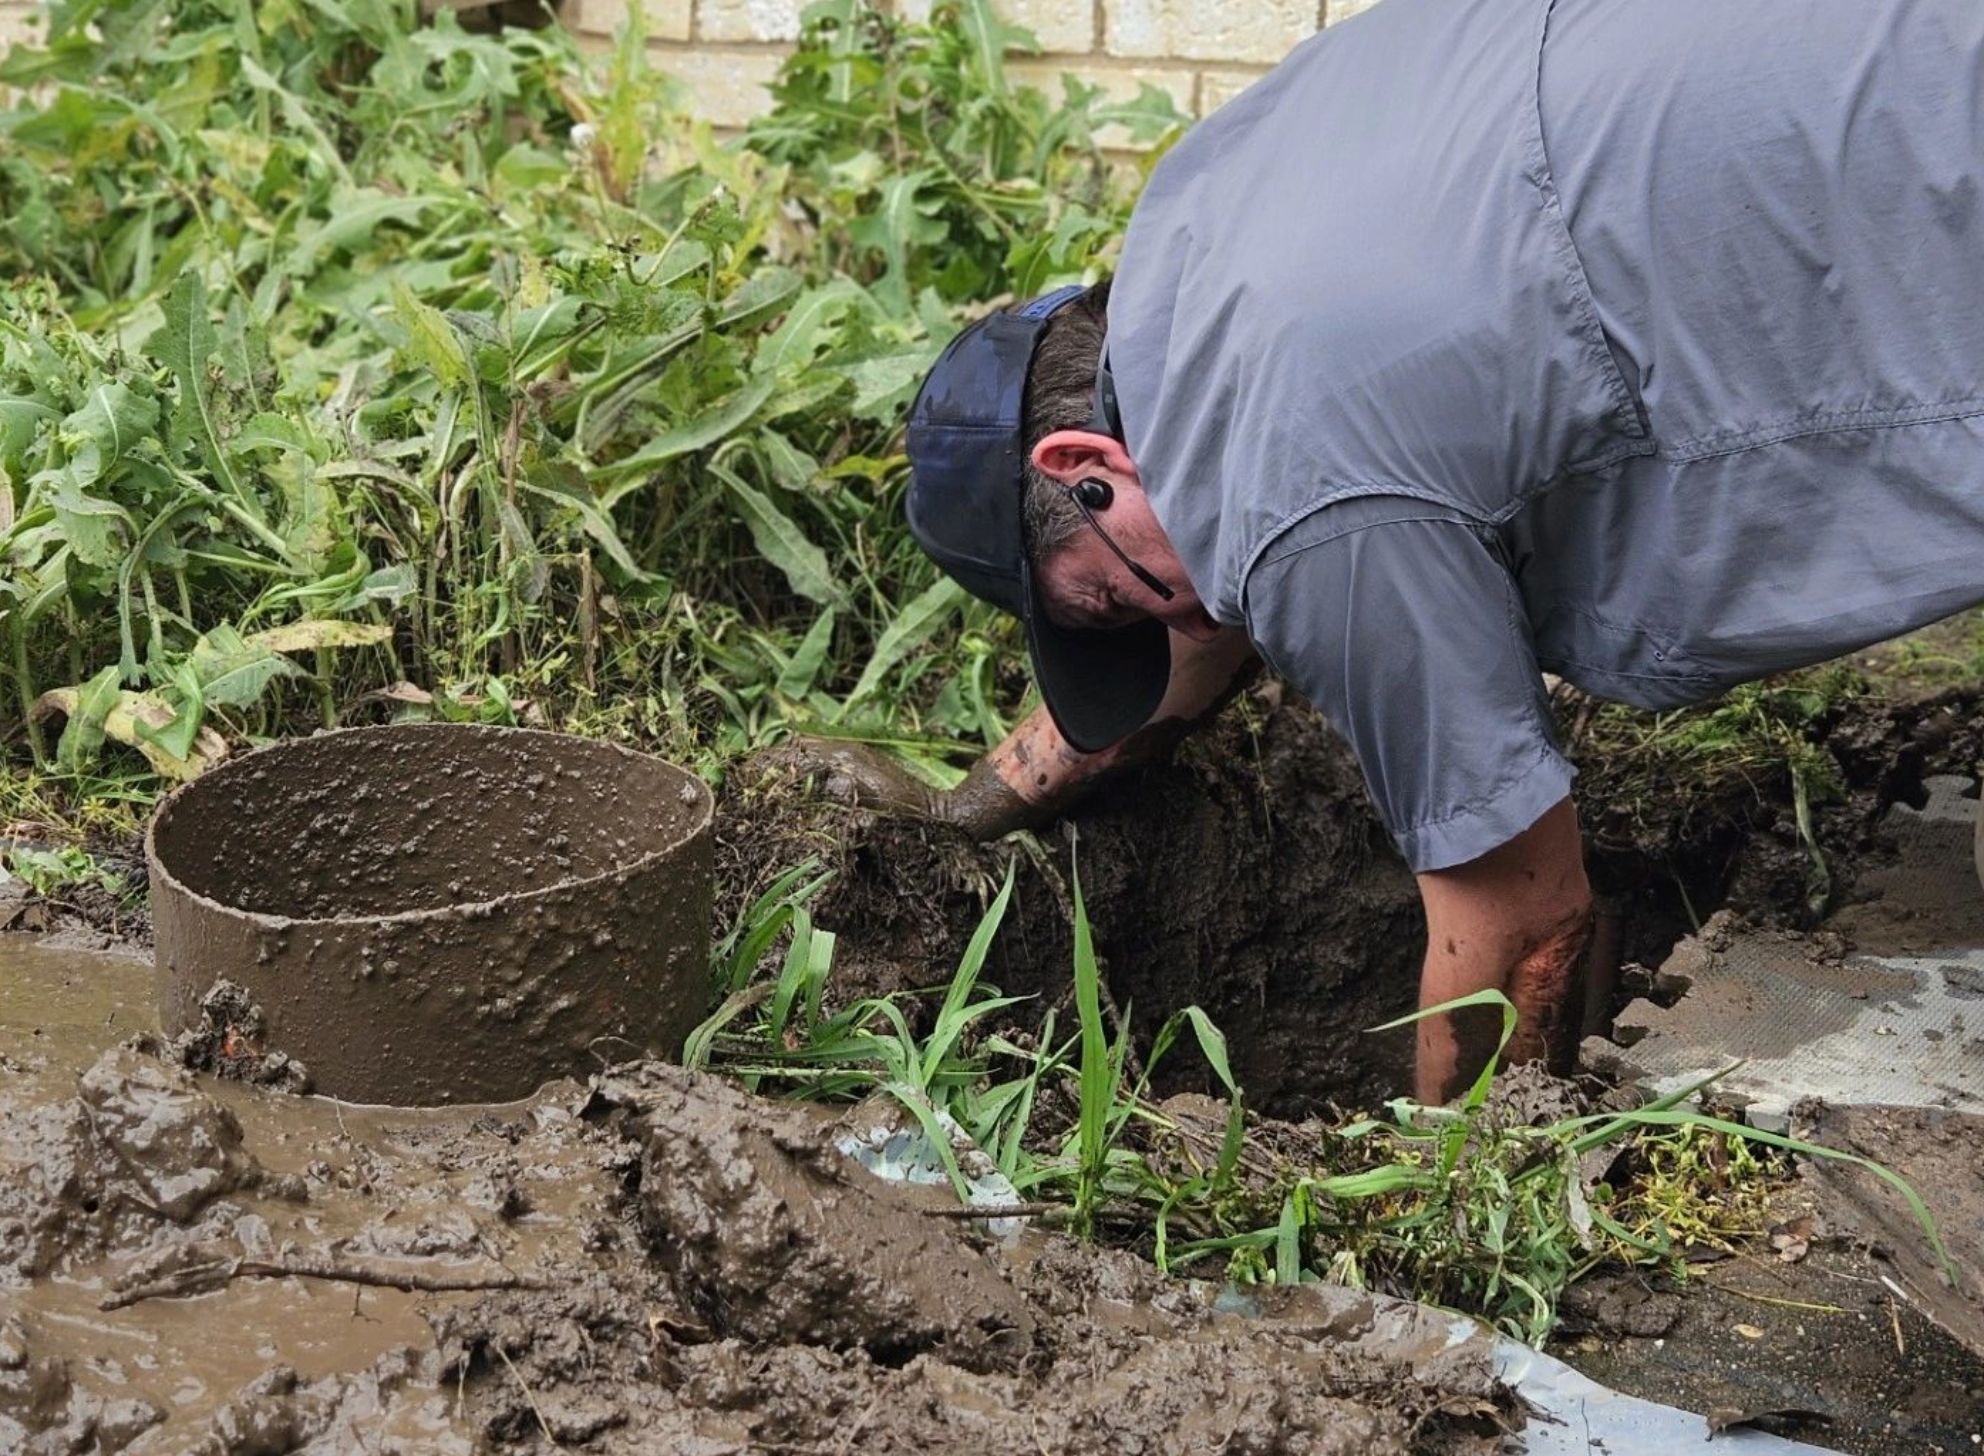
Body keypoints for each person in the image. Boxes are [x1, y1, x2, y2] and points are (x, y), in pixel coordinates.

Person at [782, 0, 1984, 1101]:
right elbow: (1212, 590)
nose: (1180, 625)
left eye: (1114, 605)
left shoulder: (1303, 490)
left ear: (1082, 465)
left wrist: (1440, 1191)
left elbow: (1522, 919)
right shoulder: (1210, 224)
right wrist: (964, 808)